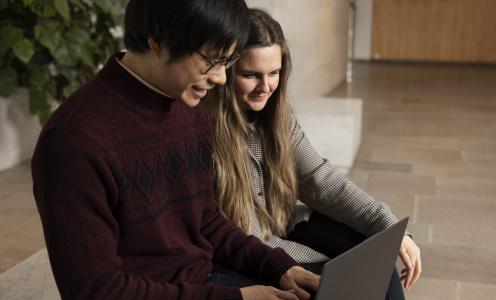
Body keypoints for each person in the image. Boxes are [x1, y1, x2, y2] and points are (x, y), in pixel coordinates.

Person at [31, 1, 319, 299]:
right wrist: (238, 298)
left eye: (228, 61)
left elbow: (206, 221)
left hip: (204, 279)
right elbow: (96, 291)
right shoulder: (73, 141)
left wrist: (277, 266)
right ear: (159, 43)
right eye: (211, 61)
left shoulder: (188, 107)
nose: (221, 78)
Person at [203, 8, 422, 300]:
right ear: (227, 71)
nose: (265, 87)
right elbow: (244, 236)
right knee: (342, 282)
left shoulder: (279, 118)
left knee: (379, 265)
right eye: (250, 75)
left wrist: (390, 227)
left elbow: (321, 180)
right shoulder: (203, 130)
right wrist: (320, 265)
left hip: (283, 225)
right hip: (242, 252)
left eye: (274, 73)